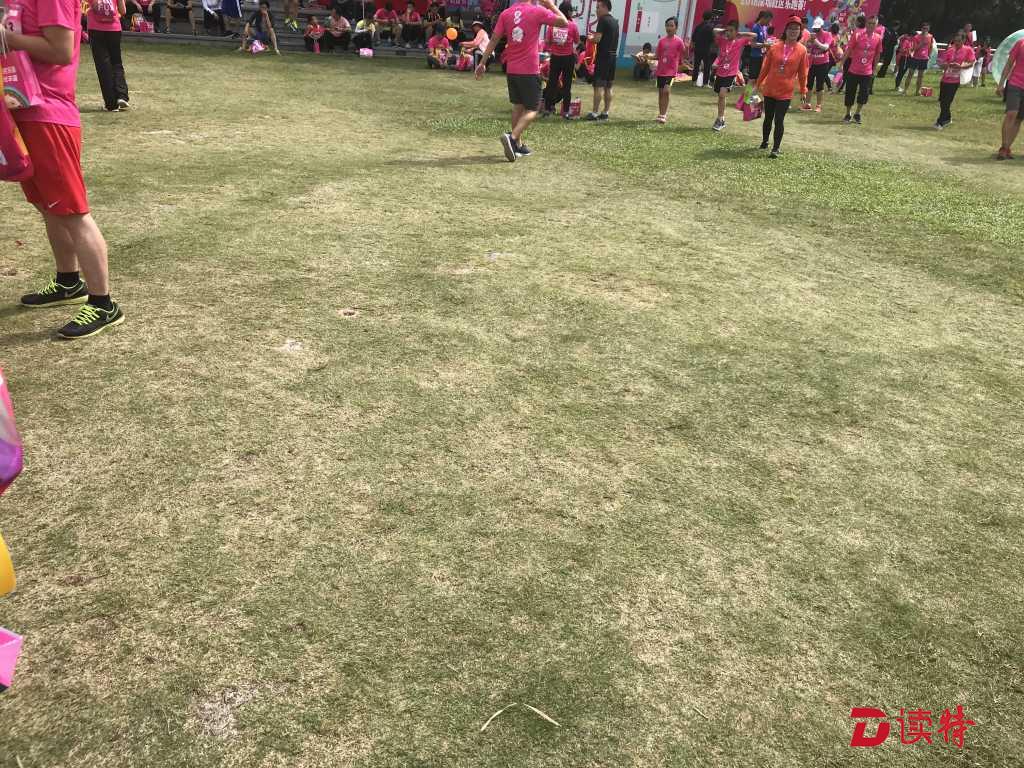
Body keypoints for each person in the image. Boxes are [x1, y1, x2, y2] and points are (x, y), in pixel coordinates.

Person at [5, 0, 125, 338]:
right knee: (48, 205)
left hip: (49, 113)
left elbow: (60, 49)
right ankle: (68, 282)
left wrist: (6, 38)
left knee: (73, 211)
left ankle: (103, 304)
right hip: (23, 105)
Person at [474, 0, 568, 161]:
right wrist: (550, 5)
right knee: (533, 109)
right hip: (529, 69)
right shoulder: (537, 11)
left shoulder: (506, 13)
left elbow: (494, 39)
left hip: (512, 69)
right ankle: (512, 138)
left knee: (518, 106)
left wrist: (482, 63)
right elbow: (564, 22)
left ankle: (517, 145)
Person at [755, 15, 807, 158]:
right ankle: (765, 141)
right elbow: (765, 68)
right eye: (791, 28)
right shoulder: (775, 47)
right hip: (770, 88)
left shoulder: (802, 50)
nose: (793, 31)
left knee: (779, 119)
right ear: (786, 30)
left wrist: (803, 90)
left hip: (786, 91)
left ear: (800, 32)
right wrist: (758, 83)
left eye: (796, 29)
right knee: (768, 117)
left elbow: (803, 73)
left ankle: (776, 148)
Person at [710, 19, 755, 132]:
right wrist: (724, 30)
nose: (728, 33)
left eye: (731, 31)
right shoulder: (722, 40)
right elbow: (714, 30)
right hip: (720, 72)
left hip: (731, 73)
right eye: (727, 30)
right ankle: (721, 118)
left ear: (736, 32)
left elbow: (754, 36)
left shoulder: (740, 41)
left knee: (722, 94)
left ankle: (720, 119)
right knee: (720, 96)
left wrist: (740, 34)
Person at [86, 0, 130, 112]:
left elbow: (94, 6)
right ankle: (122, 95)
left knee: (103, 66)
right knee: (116, 63)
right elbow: (123, 11)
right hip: (114, 28)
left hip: (96, 28)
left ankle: (111, 104)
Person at [840, 14, 881, 124]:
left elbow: (877, 54)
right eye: (869, 23)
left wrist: (874, 68)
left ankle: (857, 113)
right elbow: (849, 50)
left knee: (864, 94)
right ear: (866, 24)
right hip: (853, 70)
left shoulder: (878, 38)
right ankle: (848, 113)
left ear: (876, 25)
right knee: (850, 92)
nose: (871, 25)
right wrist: (842, 63)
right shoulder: (857, 35)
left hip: (867, 72)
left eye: (873, 24)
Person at [541, 1, 578, 117]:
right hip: (568, 58)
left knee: (551, 83)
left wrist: (555, 43)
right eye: (571, 11)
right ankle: (566, 112)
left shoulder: (552, 25)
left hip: (555, 57)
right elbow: (577, 41)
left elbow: (547, 42)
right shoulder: (573, 25)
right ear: (569, 12)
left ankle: (547, 109)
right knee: (567, 85)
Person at [934, 29, 975, 130]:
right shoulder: (950, 49)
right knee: (942, 101)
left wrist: (960, 66)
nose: (956, 43)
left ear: (964, 41)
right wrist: (946, 65)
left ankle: (940, 122)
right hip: (945, 79)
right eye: (955, 40)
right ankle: (948, 118)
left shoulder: (968, 50)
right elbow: (942, 63)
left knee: (947, 101)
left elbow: (971, 63)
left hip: (955, 80)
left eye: (959, 41)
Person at [585, 0, 617, 120]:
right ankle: (605, 112)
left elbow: (597, 39)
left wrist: (590, 38)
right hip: (613, 57)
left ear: (605, 7)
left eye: (598, 7)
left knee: (598, 85)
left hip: (603, 57)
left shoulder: (603, 20)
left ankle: (594, 113)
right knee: (609, 86)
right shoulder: (615, 21)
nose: (596, 10)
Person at [996, 34, 1024, 159]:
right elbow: (1009, 64)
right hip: (1015, 83)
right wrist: (1001, 84)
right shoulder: (1020, 43)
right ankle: (1003, 147)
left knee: (1019, 119)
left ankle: (1007, 147)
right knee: (1011, 113)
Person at [653, 16, 684, 123]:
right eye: (667, 25)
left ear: (676, 28)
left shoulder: (679, 41)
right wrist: (646, 57)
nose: (669, 28)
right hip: (660, 71)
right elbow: (657, 56)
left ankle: (664, 114)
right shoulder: (661, 41)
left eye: (671, 26)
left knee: (666, 91)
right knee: (661, 93)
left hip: (671, 72)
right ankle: (661, 114)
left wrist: (687, 48)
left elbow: (684, 54)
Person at [800, 20, 830, 112]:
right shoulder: (811, 35)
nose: (816, 30)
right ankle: (807, 104)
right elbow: (807, 48)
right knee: (809, 84)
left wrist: (815, 41)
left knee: (819, 85)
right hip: (812, 63)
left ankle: (818, 105)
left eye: (818, 28)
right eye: (815, 28)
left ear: (821, 27)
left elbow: (826, 47)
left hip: (823, 63)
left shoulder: (827, 35)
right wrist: (809, 43)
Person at [904, 22, 933, 96]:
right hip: (915, 57)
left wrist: (929, 55)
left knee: (920, 76)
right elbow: (914, 49)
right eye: (924, 28)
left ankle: (917, 92)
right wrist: (921, 44)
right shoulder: (916, 37)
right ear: (921, 29)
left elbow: (930, 46)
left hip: (924, 58)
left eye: (927, 29)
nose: (925, 30)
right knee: (910, 73)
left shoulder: (930, 36)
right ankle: (905, 90)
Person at [690, 9, 714, 87]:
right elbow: (712, 39)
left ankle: (694, 81)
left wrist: (693, 47)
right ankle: (705, 83)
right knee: (707, 66)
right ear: (710, 18)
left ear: (703, 17)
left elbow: (693, 38)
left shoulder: (698, 26)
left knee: (696, 66)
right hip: (706, 49)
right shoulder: (711, 27)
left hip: (697, 48)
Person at [747, 10, 771, 79]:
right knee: (752, 78)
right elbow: (753, 44)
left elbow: (764, 40)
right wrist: (765, 45)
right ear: (763, 18)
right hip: (755, 57)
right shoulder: (755, 28)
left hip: (762, 56)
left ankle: (753, 86)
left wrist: (768, 43)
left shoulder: (764, 27)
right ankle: (749, 87)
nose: (769, 23)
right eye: (768, 21)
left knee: (757, 78)